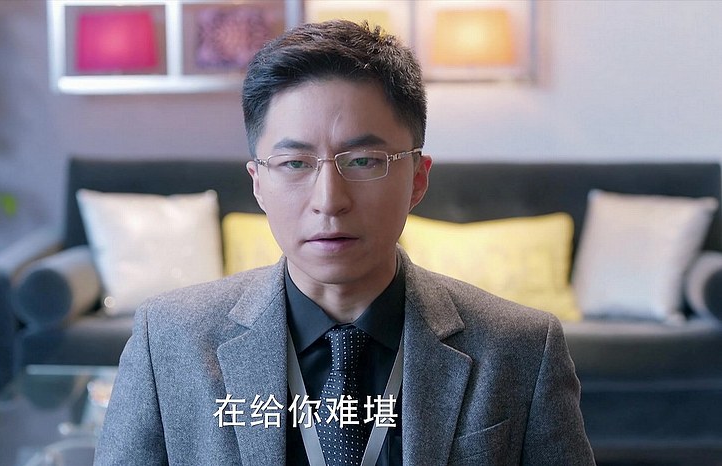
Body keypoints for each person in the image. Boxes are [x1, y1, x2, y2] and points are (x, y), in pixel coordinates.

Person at [94, 20, 595, 465]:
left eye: (363, 162)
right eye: (294, 163)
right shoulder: (170, 341)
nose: (329, 201)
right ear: (258, 183)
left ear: (418, 179)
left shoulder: (520, 348)